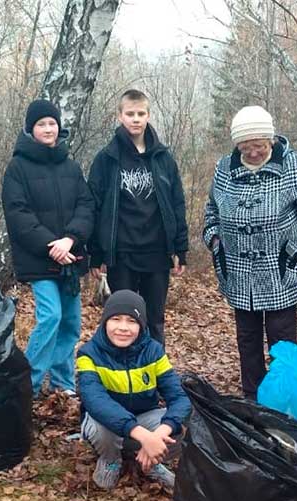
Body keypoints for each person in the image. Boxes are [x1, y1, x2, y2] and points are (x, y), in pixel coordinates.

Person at [203, 105, 297, 400]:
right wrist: (214, 240)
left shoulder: (294, 166)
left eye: (259, 146)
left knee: (281, 340)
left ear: (271, 141)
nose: (253, 153)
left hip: (282, 270)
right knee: (247, 339)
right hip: (238, 273)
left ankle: (282, 397)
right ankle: (253, 397)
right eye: (245, 147)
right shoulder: (224, 169)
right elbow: (210, 212)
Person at [2, 100, 95, 397]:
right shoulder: (17, 167)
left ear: (59, 127)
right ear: (31, 129)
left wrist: (70, 238)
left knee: (70, 322)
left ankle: (62, 384)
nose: (47, 128)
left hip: (70, 255)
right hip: (39, 259)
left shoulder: (71, 165)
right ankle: (28, 385)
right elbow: (18, 214)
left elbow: (86, 205)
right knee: (51, 315)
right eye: (41, 124)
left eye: (52, 123)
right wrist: (50, 245)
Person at [88, 89, 189, 345]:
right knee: (121, 320)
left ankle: (154, 377)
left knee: (154, 319)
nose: (135, 119)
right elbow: (95, 207)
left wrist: (180, 249)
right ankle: (120, 375)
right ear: (120, 115)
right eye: (130, 113)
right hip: (121, 254)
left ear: (148, 115)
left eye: (140, 114)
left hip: (156, 253)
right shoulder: (107, 159)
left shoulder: (163, 158)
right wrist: (97, 255)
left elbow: (177, 204)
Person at [77, 290, 191, 491]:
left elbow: (180, 397)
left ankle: (149, 460)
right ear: (105, 322)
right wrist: (144, 436)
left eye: (131, 321)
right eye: (115, 319)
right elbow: (96, 401)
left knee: (181, 427)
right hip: (107, 425)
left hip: (143, 417)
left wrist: (159, 434)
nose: (123, 328)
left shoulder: (153, 351)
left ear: (141, 325)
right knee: (102, 429)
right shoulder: (89, 354)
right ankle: (110, 460)